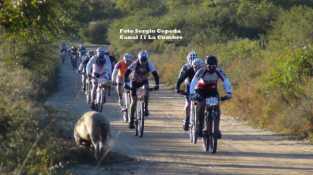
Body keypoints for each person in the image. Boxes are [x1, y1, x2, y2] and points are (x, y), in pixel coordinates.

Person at [189, 55, 232, 139]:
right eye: (209, 66)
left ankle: (216, 129)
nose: (212, 68)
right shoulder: (201, 71)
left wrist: (229, 93)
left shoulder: (219, 71)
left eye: (214, 66)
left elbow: (226, 81)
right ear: (206, 65)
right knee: (201, 105)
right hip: (201, 89)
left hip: (212, 90)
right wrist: (192, 94)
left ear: (216, 65)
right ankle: (199, 126)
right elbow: (194, 82)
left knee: (217, 107)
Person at [124, 50, 160, 129]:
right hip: (134, 82)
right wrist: (125, 83)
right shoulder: (135, 63)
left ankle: (146, 108)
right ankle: (131, 120)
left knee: (146, 90)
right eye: (141, 60)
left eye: (144, 60)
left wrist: (157, 84)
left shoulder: (150, 64)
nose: (143, 62)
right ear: (139, 59)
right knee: (134, 101)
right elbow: (127, 72)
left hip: (144, 81)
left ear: (147, 59)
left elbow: (155, 75)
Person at [176, 57, 205, 131]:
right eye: (195, 67)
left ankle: (202, 121)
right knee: (188, 104)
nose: (196, 69)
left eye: (198, 67)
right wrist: (178, 88)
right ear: (192, 66)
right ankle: (187, 119)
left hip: (200, 90)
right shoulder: (188, 70)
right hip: (189, 89)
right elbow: (181, 79)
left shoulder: (204, 71)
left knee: (203, 104)